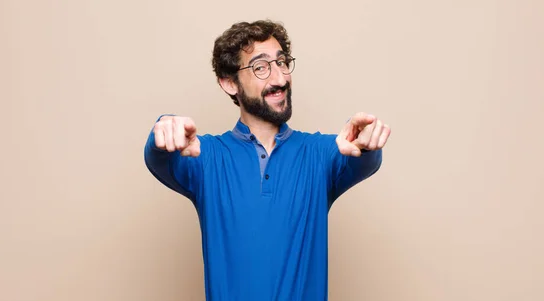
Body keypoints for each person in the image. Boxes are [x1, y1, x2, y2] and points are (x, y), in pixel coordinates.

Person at [144, 19, 391, 301]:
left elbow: (359, 157)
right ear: (229, 83)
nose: (280, 78)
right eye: (261, 67)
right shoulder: (206, 156)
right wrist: (163, 130)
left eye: (282, 62)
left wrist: (367, 142)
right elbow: (159, 160)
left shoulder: (319, 154)